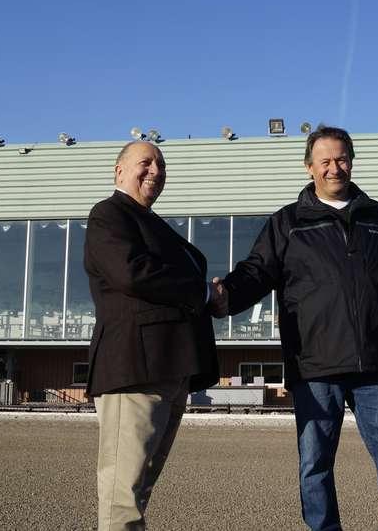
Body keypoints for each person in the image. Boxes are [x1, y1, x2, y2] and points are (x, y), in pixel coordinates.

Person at [215, 125, 378, 531]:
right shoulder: (287, 223)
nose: (334, 168)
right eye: (325, 160)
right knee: (315, 466)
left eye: (342, 158)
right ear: (308, 166)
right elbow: (256, 272)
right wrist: (228, 296)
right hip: (315, 365)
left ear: (352, 160)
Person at [84, 140, 221, 530]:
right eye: (145, 163)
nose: (156, 171)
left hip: (170, 367)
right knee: (122, 493)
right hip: (136, 368)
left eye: (161, 165)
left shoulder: (153, 224)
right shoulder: (108, 215)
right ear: (119, 171)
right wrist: (206, 292)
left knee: (139, 487)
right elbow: (131, 272)